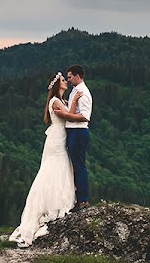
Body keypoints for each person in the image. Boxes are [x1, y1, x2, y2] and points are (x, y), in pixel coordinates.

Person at [8, 72, 81, 247]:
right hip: (56, 138)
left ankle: (57, 202)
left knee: (61, 167)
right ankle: (51, 206)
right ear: (58, 85)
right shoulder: (55, 101)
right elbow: (69, 116)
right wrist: (77, 100)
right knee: (55, 167)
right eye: (64, 80)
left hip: (61, 136)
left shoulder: (60, 101)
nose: (66, 82)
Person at [62, 64, 92, 211]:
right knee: (75, 165)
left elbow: (85, 117)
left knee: (79, 166)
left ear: (77, 76)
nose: (67, 80)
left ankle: (83, 200)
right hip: (74, 131)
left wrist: (66, 115)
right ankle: (79, 198)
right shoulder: (76, 91)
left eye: (69, 77)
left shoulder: (83, 93)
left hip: (79, 132)